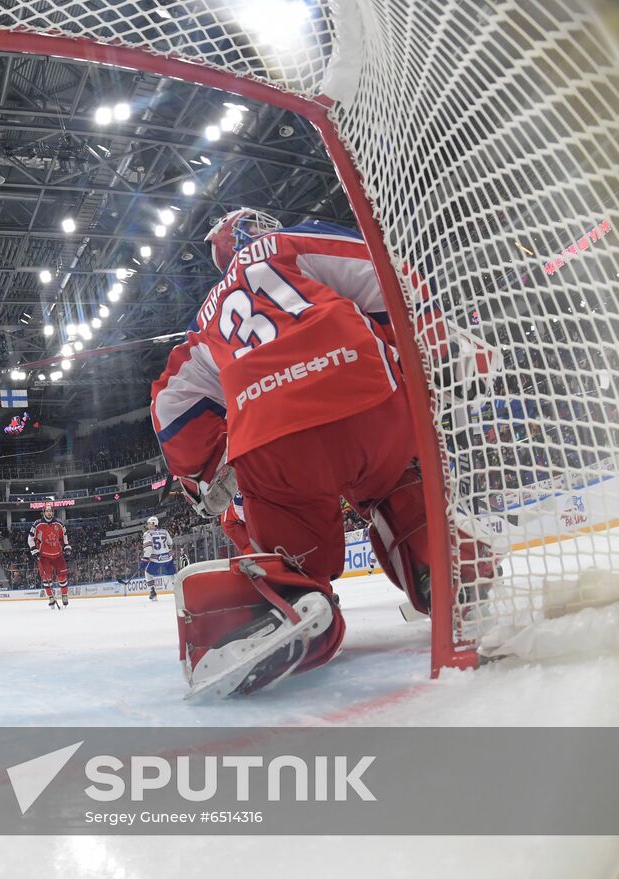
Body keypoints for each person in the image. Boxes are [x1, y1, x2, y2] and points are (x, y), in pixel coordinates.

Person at [150, 207, 492, 698]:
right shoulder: (294, 244)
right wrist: (445, 343)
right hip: (368, 401)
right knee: (399, 481)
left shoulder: (206, 322)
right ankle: (441, 566)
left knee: (281, 542)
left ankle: (292, 599)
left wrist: (201, 475)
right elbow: (384, 277)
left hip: (273, 442)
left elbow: (170, 404)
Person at [28, 505, 71, 609]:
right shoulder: (37, 524)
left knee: (62, 576)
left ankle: (64, 595)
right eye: (47, 511)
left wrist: (67, 548)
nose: (49, 513)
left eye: (50, 511)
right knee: (46, 578)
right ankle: (51, 597)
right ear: (43, 512)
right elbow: (30, 538)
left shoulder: (59, 524)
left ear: (53, 512)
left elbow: (64, 537)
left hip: (58, 555)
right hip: (44, 556)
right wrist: (34, 550)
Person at [139, 516, 174, 601]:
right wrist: (165, 551)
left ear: (153, 524)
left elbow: (149, 548)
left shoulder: (147, 534)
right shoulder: (165, 532)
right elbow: (170, 543)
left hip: (155, 559)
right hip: (168, 558)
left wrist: (145, 559)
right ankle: (179, 591)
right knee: (171, 575)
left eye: (148, 524)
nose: (147, 526)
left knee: (148, 574)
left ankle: (153, 592)